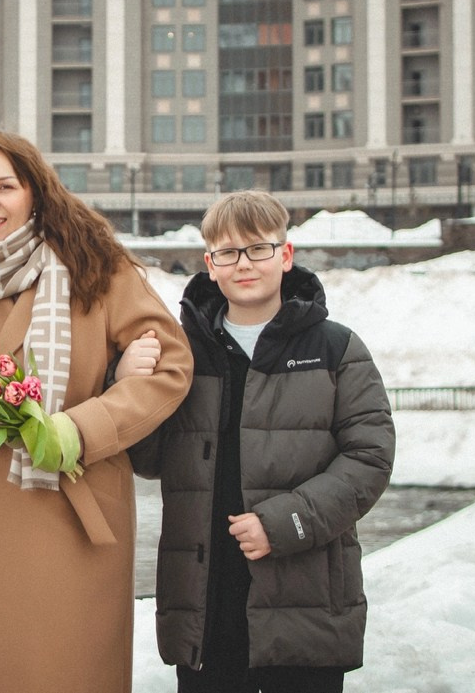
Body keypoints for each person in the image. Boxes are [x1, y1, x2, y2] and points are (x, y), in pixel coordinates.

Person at [0, 130, 194, 693]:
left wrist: (81, 427)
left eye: (5, 186)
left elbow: (171, 365)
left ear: (35, 190)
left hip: (79, 510)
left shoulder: (94, 266)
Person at [129, 190, 396, 693]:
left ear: (285, 255)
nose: (243, 264)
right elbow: (147, 455)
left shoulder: (335, 348)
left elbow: (370, 457)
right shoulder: (182, 353)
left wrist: (285, 522)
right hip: (206, 605)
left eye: (258, 249)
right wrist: (129, 379)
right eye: (227, 252)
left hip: (304, 597)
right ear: (210, 265)